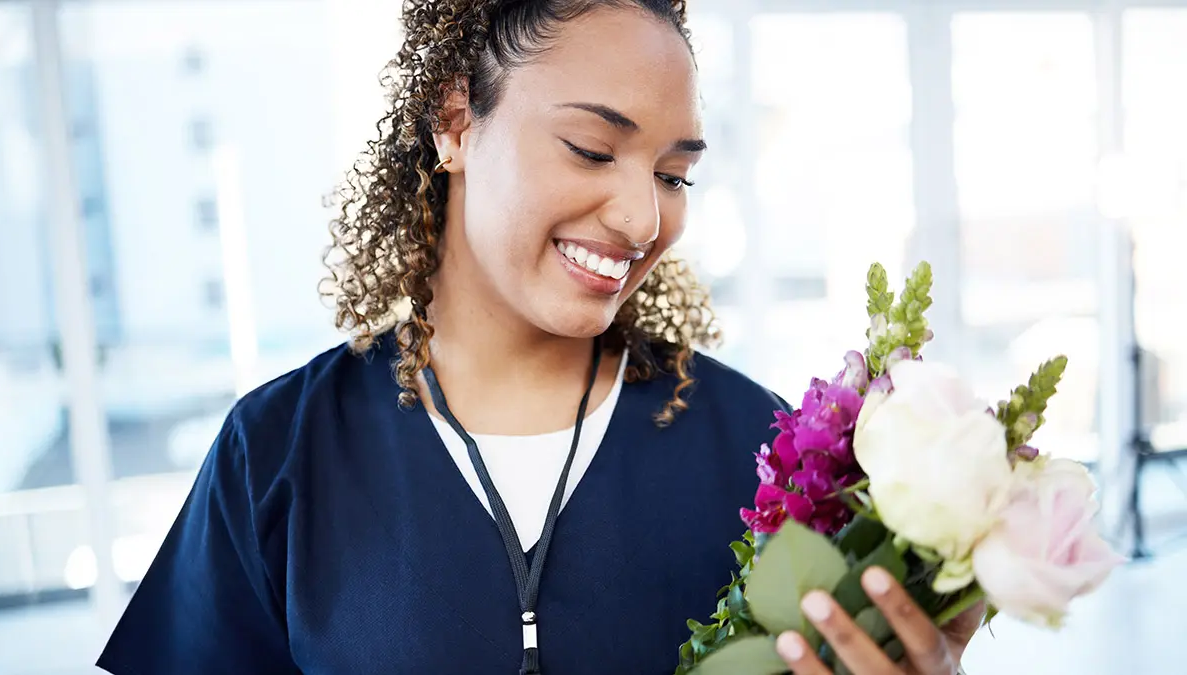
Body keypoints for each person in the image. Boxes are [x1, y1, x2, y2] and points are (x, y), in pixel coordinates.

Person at [96, 1, 983, 673]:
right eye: (593, 150)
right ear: (455, 122)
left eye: (675, 174)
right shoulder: (279, 453)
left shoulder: (759, 453)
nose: (644, 215)